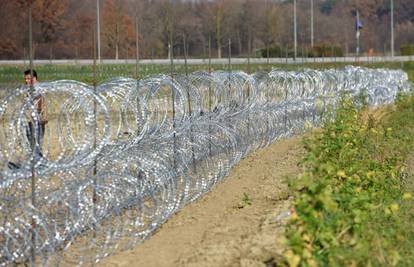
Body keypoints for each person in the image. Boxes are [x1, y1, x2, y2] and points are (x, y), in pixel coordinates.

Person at [8, 70, 48, 169]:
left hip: (37, 121)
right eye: (25, 79)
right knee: (32, 142)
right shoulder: (30, 89)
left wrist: (38, 117)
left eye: (29, 78)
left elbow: (40, 105)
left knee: (35, 142)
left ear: (35, 78)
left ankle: (39, 165)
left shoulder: (38, 89)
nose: (26, 81)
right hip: (30, 120)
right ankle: (35, 163)